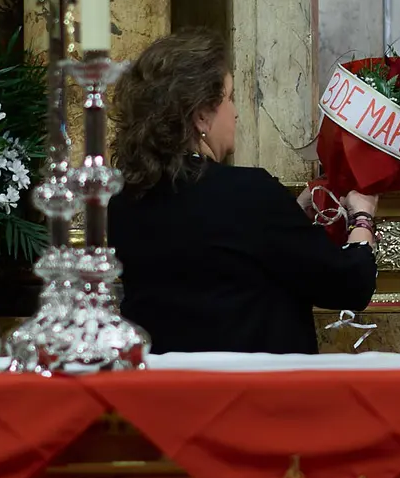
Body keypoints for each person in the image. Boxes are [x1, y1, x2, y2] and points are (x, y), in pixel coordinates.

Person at [107, 29, 379, 354]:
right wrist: (362, 217)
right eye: (229, 97)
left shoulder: (123, 201)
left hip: (165, 394)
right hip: (253, 397)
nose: (235, 112)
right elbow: (349, 286)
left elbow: (222, 258)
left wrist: (287, 213)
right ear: (202, 115)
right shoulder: (250, 194)